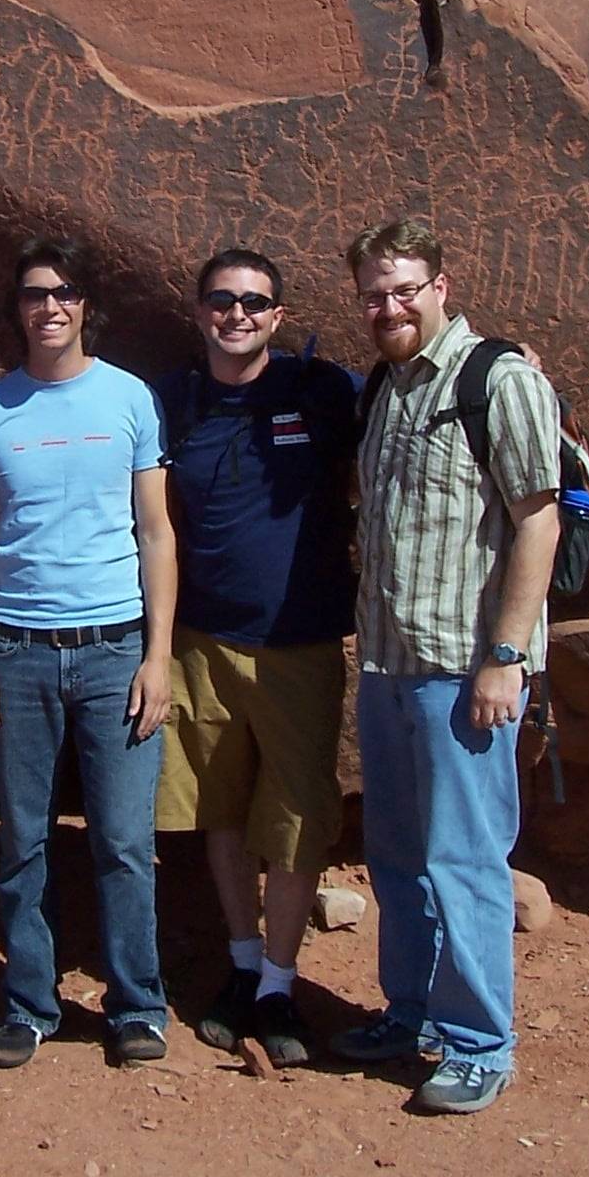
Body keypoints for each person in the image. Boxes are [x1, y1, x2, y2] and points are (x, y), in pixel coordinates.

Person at [333, 219, 561, 1115]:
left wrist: (505, 658)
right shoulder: (387, 388)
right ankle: (414, 1011)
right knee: (395, 852)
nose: (387, 307)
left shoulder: (496, 380)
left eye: (403, 289)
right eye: (372, 295)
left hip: (465, 673)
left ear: (440, 284)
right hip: (390, 663)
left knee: (465, 857)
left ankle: (478, 1044)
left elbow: (536, 521)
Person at [0, 237, 177, 1069]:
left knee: (122, 839)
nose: (49, 307)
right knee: (23, 839)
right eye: (33, 295)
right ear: (16, 309)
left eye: (64, 293)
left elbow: (156, 532)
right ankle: (29, 1001)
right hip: (17, 650)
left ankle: (135, 1006)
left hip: (116, 648)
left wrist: (158, 655)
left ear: (86, 305)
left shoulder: (129, 400)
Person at [155, 248, 358, 1069]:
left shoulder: (324, 391)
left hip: (299, 643)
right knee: (222, 812)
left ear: (278, 315)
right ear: (200, 311)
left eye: (254, 303)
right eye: (222, 301)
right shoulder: (174, 400)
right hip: (200, 642)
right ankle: (243, 968)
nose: (237, 315)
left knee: (299, 818)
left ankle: (281, 982)